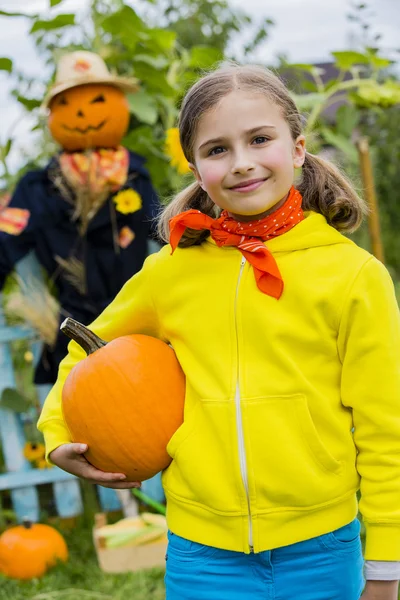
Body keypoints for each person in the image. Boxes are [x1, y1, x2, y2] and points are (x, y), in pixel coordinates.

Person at [37, 63, 400, 600]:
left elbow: (385, 428)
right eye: (217, 149)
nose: (242, 163)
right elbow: (87, 347)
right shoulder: (170, 272)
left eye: (259, 139)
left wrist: (387, 569)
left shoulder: (353, 275)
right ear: (195, 166)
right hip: (202, 553)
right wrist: (60, 434)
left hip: (322, 546)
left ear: (297, 148)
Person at [0, 51, 160, 384]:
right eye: (67, 103)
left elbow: (165, 236)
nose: (83, 112)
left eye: (98, 99)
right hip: (69, 333)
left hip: (135, 329)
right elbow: (6, 239)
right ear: (53, 115)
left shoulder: (134, 178)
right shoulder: (40, 187)